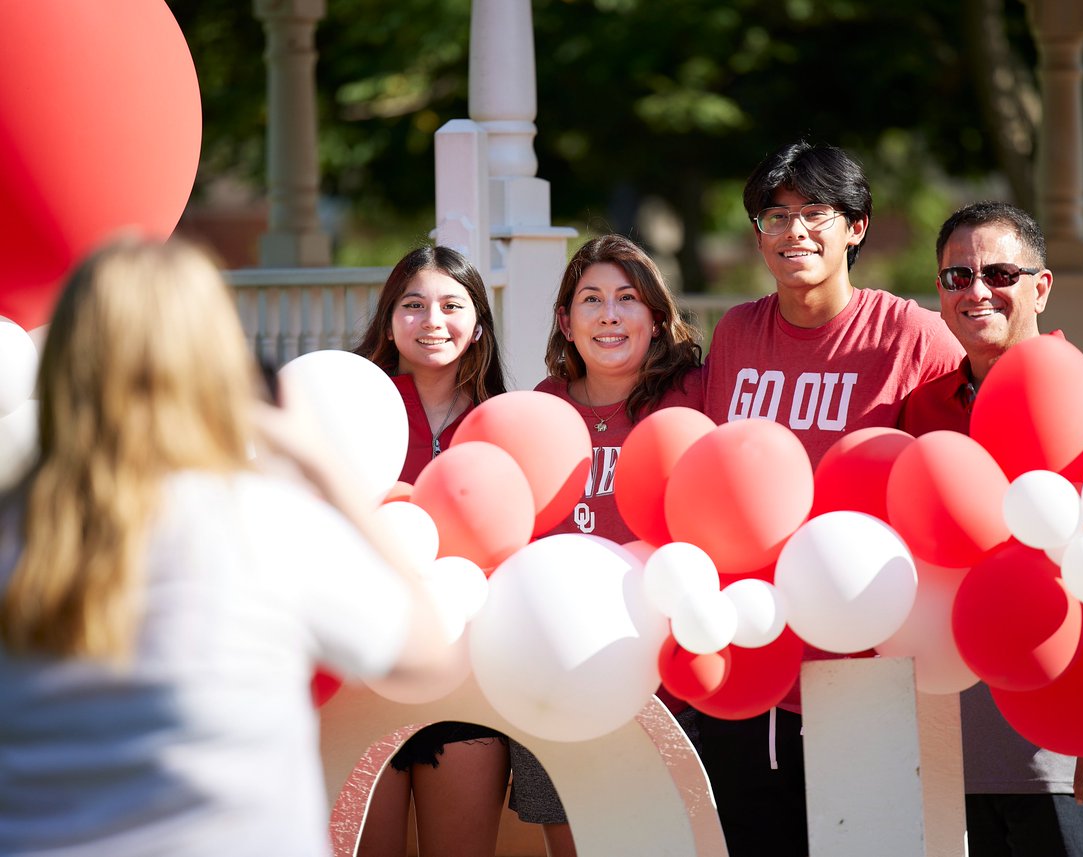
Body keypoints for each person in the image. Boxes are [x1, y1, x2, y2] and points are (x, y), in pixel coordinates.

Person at [0, 237, 448, 857]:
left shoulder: (12, 532)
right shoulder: (261, 522)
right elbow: (428, 659)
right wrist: (320, 462)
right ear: (212, 359)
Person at [699, 138, 965, 856]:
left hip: (866, 663)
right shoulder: (736, 332)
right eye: (774, 216)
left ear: (856, 226)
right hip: (748, 658)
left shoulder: (912, 336)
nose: (794, 232)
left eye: (815, 211)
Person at [898, 200, 1083, 857]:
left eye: (1000, 273)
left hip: (1081, 750)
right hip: (957, 756)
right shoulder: (921, 412)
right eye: (957, 277)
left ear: (1040, 287)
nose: (977, 291)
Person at [503, 233, 705, 857]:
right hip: (557, 672)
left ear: (655, 316)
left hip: (664, 684)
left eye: (627, 298)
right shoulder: (540, 407)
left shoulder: (691, 399)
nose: (610, 314)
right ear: (565, 321)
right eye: (591, 299)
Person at [352, 245, 512, 857]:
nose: (432, 321)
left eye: (451, 305)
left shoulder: (504, 422)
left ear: (477, 327)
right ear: (390, 321)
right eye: (413, 306)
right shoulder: (356, 410)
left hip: (469, 683)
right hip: (365, 672)